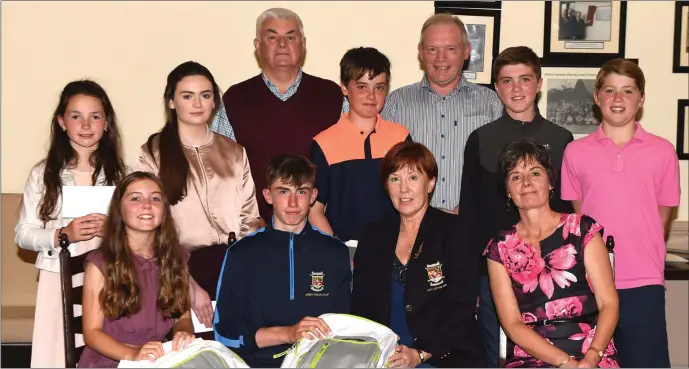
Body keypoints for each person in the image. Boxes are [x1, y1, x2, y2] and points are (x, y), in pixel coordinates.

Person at [561, 58, 681, 368]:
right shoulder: (575, 152)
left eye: (627, 91)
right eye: (610, 90)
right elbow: (580, 219)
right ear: (596, 97)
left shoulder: (663, 151)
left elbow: (663, 219)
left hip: (643, 281)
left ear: (641, 99)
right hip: (591, 283)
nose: (618, 99)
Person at [459, 46, 574, 367]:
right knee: (496, 355)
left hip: (550, 270)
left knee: (552, 353)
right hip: (494, 271)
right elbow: (470, 215)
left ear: (539, 83)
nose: (516, 88)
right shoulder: (481, 139)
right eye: (507, 81)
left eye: (525, 79)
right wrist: (473, 279)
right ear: (496, 87)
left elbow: (568, 211)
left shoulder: (561, 139)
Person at [137, 61, 262, 332]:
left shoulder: (234, 151)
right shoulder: (153, 152)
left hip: (232, 265)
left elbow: (250, 218)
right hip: (176, 269)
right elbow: (148, 229)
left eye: (205, 95)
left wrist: (241, 274)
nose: (197, 103)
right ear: (171, 102)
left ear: (214, 101)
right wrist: (187, 284)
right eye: (187, 96)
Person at [14, 80, 128, 368]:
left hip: (110, 278)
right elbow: (24, 234)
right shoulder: (43, 174)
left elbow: (143, 230)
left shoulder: (123, 174)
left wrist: (115, 229)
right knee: (56, 352)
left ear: (106, 123)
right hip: (59, 275)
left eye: (95, 116)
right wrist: (63, 234)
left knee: (105, 351)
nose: (86, 125)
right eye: (76, 116)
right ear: (62, 122)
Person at [484, 138, 619, 368]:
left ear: (550, 182)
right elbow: (512, 323)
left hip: (592, 351)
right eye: (516, 177)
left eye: (535, 173)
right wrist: (564, 362)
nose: (526, 182)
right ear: (508, 191)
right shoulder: (499, 247)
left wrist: (591, 358)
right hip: (531, 356)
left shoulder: (582, 229)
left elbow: (609, 303)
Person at [351, 142, 485, 368]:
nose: (404, 189)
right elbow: (362, 307)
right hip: (385, 357)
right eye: (395, 179)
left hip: (445, 354)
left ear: (430, 183)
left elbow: (461, 306)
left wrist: (421, 353)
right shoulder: (373, 236)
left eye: (413, 178)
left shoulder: (455, 231)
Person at [214, 154, 352, 368]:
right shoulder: (241, 254)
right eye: (284, 191)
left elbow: (347, 327)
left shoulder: (336, 253)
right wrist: (288, 333)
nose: (293, 203)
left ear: (313, 196)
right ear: (268, 196)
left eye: (302, 192)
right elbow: (224, 333)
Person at [211, 7, 347, 219]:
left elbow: (347, 167)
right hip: (255, 231)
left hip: (320, 231)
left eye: (290, 37)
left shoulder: (334, 97)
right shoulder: (234, 99)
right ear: (258, 46)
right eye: (272, 37)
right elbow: (219, 171)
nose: (282, 44)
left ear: (303, 44)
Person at [381, 13, 503, 214]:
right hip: (412, 227)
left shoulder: (491, 104)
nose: (441, 58)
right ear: (421, 52)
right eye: (432, 49)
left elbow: (503, 170)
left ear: (466, 51)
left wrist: (471, 206)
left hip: (473, 224)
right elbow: (384, 171)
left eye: (450, 49)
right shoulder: (396, 103)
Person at [79, 172, 195, 367]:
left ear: (164, 210)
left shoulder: (175, 260)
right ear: (119, 209)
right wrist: (133, 354)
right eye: (135, 198)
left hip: (157, 358)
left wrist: (183, 331)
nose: (147, 204)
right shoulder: (101, 264)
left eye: (155, 198)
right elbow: (92, 333)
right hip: (111, 359)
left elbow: (183, 318)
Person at [309, 46, 410, 243]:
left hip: (393, 251)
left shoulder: (401, 137)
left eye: (379, 87)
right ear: (345, 88)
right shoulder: (324, 143)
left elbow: (414, 199)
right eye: (362, 87)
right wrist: (339, 251)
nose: (371, 96)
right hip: (346, 251)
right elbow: (314, 210)